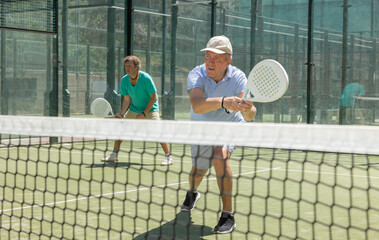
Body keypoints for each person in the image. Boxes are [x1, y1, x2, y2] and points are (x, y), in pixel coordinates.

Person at [180, 35, 257, 233]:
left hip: (228, 127)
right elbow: (197, 105)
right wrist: (224, 101)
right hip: (201, 129)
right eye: (208, 56)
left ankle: (227, 215)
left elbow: (250, 115)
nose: (210, 62)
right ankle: (193, 192)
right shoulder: (197, 74)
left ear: (228, 61)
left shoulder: (239, 77)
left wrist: (247, 109)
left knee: (219, 156)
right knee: (198, 171)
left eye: (217, 58)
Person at [102, 55, 173, 166]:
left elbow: (153, 97)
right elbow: (126, 99)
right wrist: (121, 113)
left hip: (151, 109)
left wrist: (144, 113)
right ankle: (114, 154)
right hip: (134, 109)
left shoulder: (146, 78)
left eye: (130, 66)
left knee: (159, 132)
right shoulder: (124, 80)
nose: (128, 68)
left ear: (137, 66)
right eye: (126, 66)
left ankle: (168, 156)